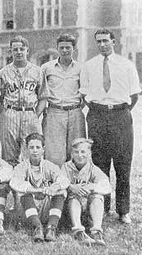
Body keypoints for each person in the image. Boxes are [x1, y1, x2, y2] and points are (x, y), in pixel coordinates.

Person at [79, 28, 140, 224]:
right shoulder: (89, 66)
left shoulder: (126, 65)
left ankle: (123, 210)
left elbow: (134, 95)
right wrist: (100, 110)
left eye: (106, 40)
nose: (102, 44)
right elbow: (84, 94)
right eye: (99, 41)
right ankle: (102, 207)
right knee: (99, 164)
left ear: (113, 41)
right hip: (97, 116)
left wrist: (118, 110)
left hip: (121, 116)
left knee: (122, 165)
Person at [0, 36, 47, 167]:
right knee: (8, 154)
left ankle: (30, 184)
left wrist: (35, 115)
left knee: (32, 152)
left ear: (27, 51)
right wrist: (3, 113)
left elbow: (43, 97)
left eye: (22, 49)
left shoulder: (37, 71)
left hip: (30, 113)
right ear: (11, 51)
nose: (19, 52)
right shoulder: (3, 72)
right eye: (15, 49)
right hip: (10, 113)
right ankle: (8, 185)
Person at [9, 133, 69, 242]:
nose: (35, 150)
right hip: (27, 211)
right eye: (31, 147)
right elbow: (14, 182)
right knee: (23, 192)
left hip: (46, 209)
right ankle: (37, 228)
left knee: (61, 191)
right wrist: (34, 190)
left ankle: (51, 228)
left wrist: (54, 187)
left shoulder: (50, 166)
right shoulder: (21, 167)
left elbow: (64, 180)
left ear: (43, 149)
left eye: (38, 147)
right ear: (26, 149)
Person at [41, 34, 85, 166]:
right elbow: (41, 92)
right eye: (62, 47)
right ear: (57, 48)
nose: (65, 50)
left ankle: (75, 184)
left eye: (68, 47)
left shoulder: (81, 68)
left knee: (77, 151)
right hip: (54, 113)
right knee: (54, 154)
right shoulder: (46, 67)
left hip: (75, 113)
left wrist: (76, 108)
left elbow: (85, 92)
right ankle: (55, 184)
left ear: (74, 48)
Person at [62, 138, 110, 246]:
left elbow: (107, 186)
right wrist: (71, 187)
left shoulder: (93, 169)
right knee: (74, 197)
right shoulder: (66, 167)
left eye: (83, 152)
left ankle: (97, 231)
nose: (80, 155)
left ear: (89, 153)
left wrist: (91, 187)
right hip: (72, 209)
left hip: (89, 209)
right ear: (71, 154)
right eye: (76, 152)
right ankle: (78, 231)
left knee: (97, 196)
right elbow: (60, 181)